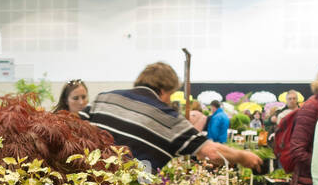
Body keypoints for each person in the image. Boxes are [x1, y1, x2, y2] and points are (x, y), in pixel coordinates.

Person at [86, 62, 264, 173]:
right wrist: (243, 157)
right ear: (164, 90)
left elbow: (76, 127)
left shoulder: (104, 98)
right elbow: (210, 151)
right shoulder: (168, 118)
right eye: (171, 95)